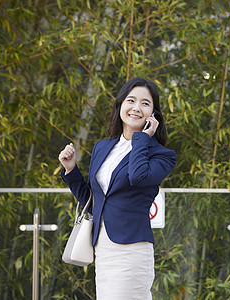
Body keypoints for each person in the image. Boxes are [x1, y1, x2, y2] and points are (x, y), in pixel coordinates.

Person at [58, 77, 177, 299]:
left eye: (145, 103)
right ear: (120, 104)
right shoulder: (103, 147)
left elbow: (138, 176)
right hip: (102, 248)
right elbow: (93, 201)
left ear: (154, 114)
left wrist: (142, 138)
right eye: (131, 100)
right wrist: (71, 170)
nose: (136, 108)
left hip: (131, 250)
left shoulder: (162, 155)